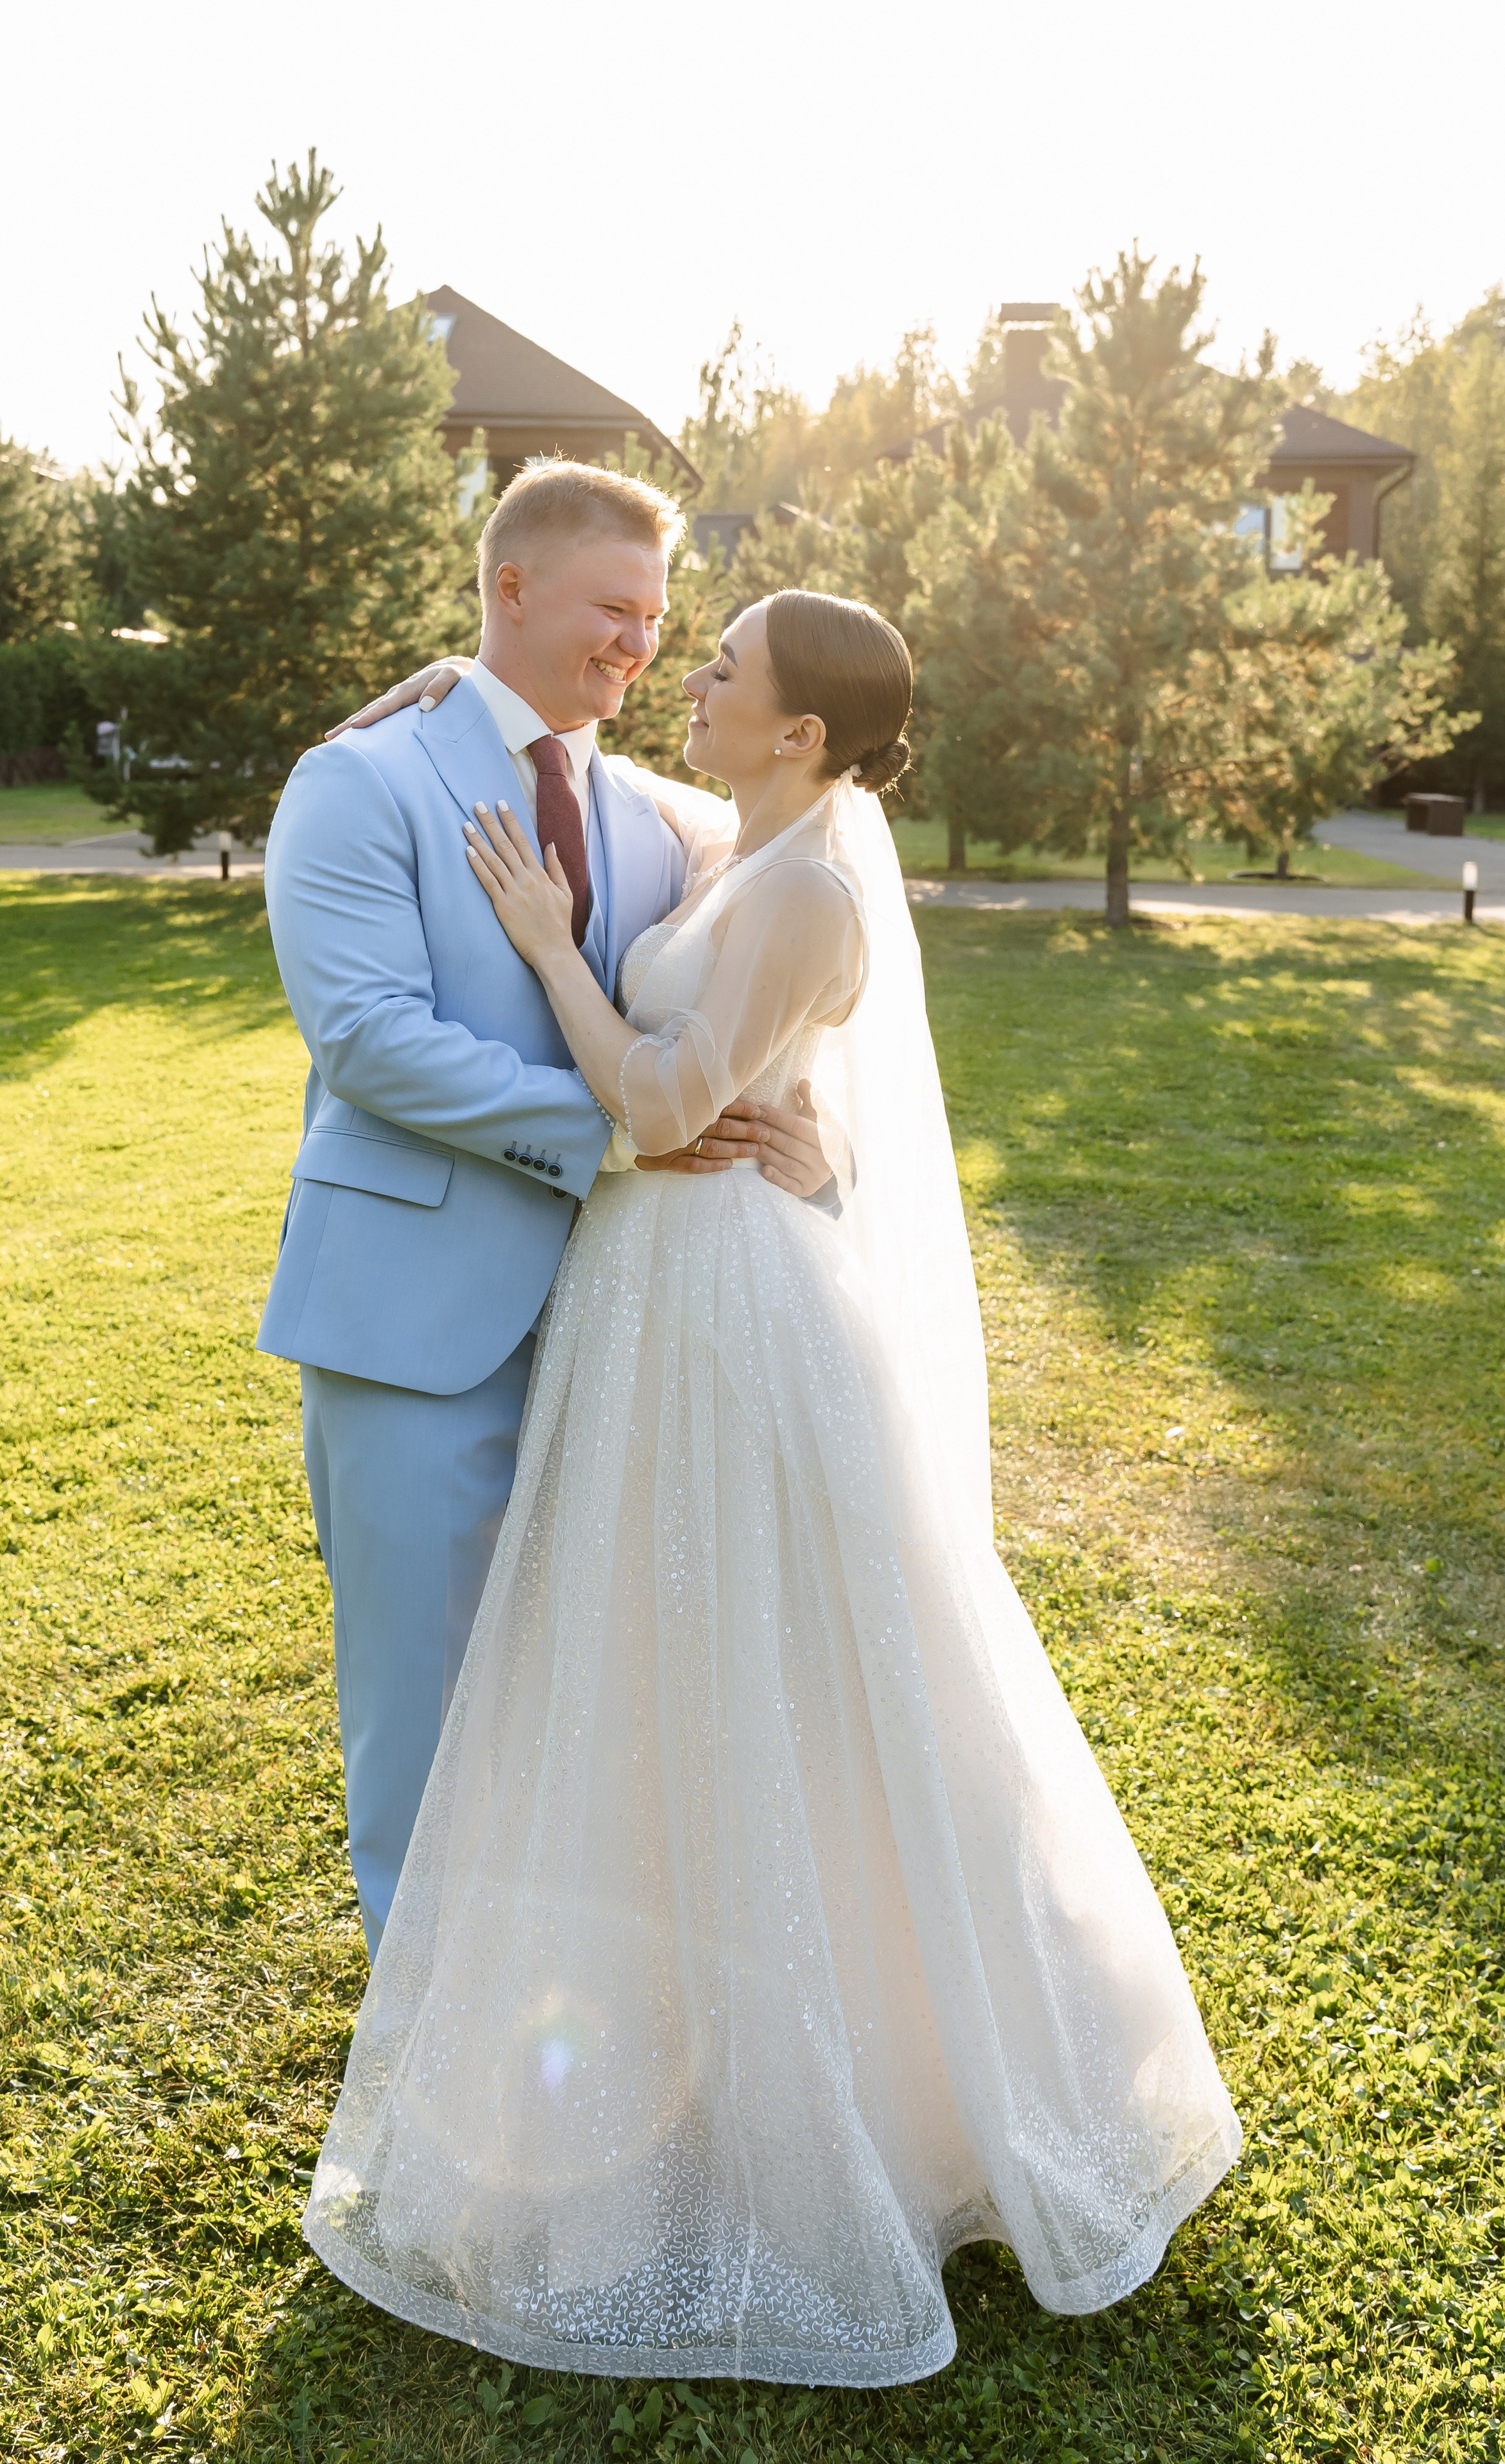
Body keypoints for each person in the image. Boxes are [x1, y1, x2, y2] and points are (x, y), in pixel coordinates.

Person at [302, 587, 1243, 2385]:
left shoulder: (806, 884)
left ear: (803, 731)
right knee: (657, 1663)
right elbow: (613, 777)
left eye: (725, 667)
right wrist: (462, 684)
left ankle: (860, 2094)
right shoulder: (747, 836)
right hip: (659, 1296)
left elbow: (659, 1111)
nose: (694, 681)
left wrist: (548, 941)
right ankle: (688, 2043)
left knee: (784, 1666)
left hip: (724, 1308)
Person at [258, 463, 834, 1960]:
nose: (640, 646)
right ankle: (422, 2064)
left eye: (657, 619)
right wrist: (621, 1137)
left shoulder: (656, 813)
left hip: (618, 1334)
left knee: (588, 1700)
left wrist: (803, 1130)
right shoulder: (358, 781)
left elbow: (787, 905)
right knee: (422, 1713)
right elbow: (368, 1040)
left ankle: (547, 2027)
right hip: (412, 1323)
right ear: (507, 591)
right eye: (610, 610)